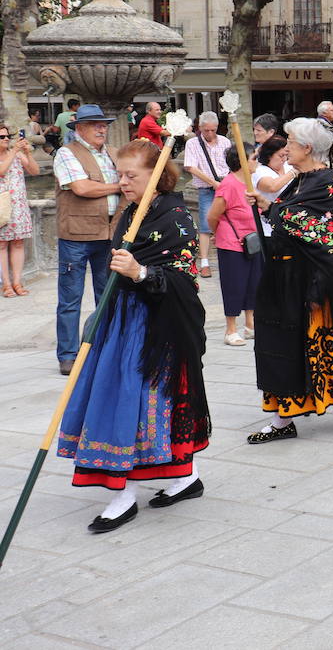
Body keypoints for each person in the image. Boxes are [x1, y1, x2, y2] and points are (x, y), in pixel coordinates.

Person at [57, 139, 210, 533]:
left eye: (131, 175)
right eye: (120, 174)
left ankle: (133, 491)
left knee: (141, 402)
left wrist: (141, 272)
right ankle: (178, 479)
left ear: (156, 176)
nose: (122, 182)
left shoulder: (176, 217)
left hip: (156, 325)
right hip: (121, 318)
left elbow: (184, 279)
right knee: (120, 398)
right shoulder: (131, 211)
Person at [249, 117, 333, 443]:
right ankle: (283, 418)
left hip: (319, 280)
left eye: (290, 143)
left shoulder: (330, 182)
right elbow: (288, 214)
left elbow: (314, 227)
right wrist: (269, 207)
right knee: (283, 345)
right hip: (286, 277)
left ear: (307, 148)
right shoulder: (299, 179)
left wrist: (273, 210)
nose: (285, 149)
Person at [53, 105, 121, 375]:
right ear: (79, 129)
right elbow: (82, 188)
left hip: (109, 233)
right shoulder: (66, 152)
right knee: (70, 299)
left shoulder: (114, 153)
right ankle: (68, 355)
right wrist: (120, 186)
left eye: (103, 124)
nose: (102, 129)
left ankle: (100, 347)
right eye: (95, 124)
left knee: (108, 296)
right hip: (76, 236)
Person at [207, 147, 263, 346]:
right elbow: (212, 216)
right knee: (234, 284)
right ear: (242, 161)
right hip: (232, 242)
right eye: (253, 158)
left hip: (252, 240)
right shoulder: (228, 184)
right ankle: (230, 329)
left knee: (253, 282)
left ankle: (250, 323)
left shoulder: (250, 181)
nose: (257, 161)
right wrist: (218, 233)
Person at [182, 111, 231, 279]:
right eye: (206, 130)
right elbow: (190, 167)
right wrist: (213, 182)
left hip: (225, 185)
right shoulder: (193, 143)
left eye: (213, 130)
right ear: (200, 128)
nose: (209, 134)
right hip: (206, 188)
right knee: (205, 225)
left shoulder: (224, 141)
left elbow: (231, 164)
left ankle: (226, 258)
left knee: (228, 222)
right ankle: (204, 262)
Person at [0, 125, 40, 296]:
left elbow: (35, 171)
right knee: (1, 244)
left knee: (18, 242)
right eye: (1, 137)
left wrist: (27, 153)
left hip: (19, 206)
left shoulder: (16, 154)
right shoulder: (13, 153)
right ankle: (6, 284)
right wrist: (14, 150)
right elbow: (1, 171)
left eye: (7, 136)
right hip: (2, 207)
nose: (6, 139)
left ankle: (17, 282)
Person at [250, 135, 291, 233]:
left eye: (286, 155)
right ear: (269, 155)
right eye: (281, 156)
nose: (284, 159)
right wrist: (294, 172)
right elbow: (271, 187)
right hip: (269, 221)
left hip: (291, 216)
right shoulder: (259, 171)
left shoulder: (288, 166)